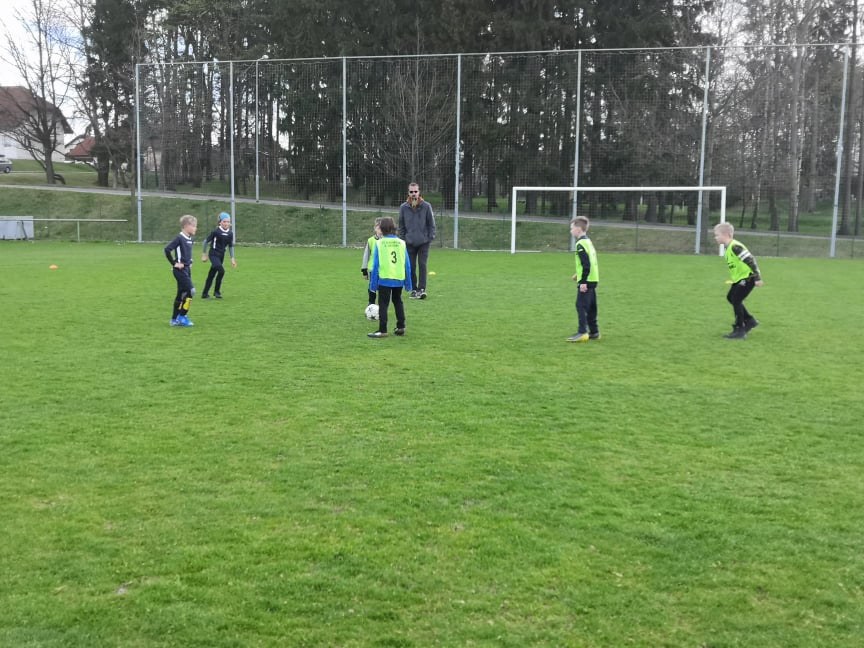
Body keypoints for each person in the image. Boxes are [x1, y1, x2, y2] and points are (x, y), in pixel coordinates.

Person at [713, 222, 764, 339]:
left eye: (717, 235)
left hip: (748, 277)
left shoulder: (735, 247)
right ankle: (750, 320)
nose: (715, 238)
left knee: (736, 300)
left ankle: (740, 329)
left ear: (727, 234)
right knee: (731, 297)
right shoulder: (728, 247)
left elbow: (751, 260)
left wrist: (757, 278)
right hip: (740, 278)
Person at [368, 216, 412, 338]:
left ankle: (382, 330)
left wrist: (373, 284)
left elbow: (376, 265)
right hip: (399, 278)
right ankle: (401, 326)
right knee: (397, 301)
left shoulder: (379, 243)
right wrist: (408, 283)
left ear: (382, 229)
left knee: (383, 304)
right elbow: (407, 264)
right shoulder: (402, 243)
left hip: (385, 278)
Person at [397, 182, 435, 299]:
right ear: (408, 193)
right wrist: (403, 239)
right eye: (411, 192)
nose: (414, 194)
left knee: (422, 265)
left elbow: (431, 224)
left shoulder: (426, 206)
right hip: (409, 243)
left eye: (415, 191)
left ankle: (421, 289)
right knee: (411, 267)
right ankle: (413, 289)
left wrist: (429, 237)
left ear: (419, 192)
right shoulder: (404, 208)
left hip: (423, 242)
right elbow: (401, 225)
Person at [567, 216, 600, 343]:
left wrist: (583, 281)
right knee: (591, 306)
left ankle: (582, 332)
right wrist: (577, 274)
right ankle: (594, 332)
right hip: (593, 278)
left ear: (578, 229)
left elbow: (586, 264)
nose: (571, 231)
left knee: (580, 305)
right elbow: (590, 261)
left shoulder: (580, 244)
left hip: (587, 280)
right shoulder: (588, 242)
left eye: (572, 228)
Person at [164, 214, 198, 327]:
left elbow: (186, 253)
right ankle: (182, 316)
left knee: (181, 294)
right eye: (194, 226)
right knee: (191, 291)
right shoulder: (179, 238)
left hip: (187, 269)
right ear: (186, 226)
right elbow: (167, 250)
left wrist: (190, 261)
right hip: (180, 270)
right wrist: (174, 263)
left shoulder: (190, 239)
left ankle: (174, 319)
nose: (195, 228)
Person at [201, 212, 237, 299]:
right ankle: (217, 292)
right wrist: (204, 254)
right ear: (220, 222)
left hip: (221, 255)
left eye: (228, 222)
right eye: (224, 221)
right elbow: (205, 242)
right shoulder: (216, 232)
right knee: (221, 271)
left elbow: (230, 246)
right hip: (213, 254)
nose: (226, 223)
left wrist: (232, 258)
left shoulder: (230, 233)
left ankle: (205, 294)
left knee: (212, 274)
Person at [361, 217, 383, 306]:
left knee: (382, 288)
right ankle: (371, 303)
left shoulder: (387, 241)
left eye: (382, 228)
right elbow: (366, 255)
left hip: (383, 269)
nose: (380, 230)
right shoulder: (371, 240)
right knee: (372, 286)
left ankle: (382, 304)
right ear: (375, 229)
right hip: (373, 269)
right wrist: (364, 270)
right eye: (378, 228)